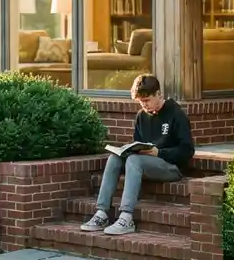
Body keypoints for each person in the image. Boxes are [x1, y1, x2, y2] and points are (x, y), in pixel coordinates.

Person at [80, 74, 194, 236]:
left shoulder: (176, 114)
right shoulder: (141, 116)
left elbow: (187, 151)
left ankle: (126, 217)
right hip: (145, 164)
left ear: (158, 94)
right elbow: (138, 144)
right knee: (114, 158)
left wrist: (159, 152)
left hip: (172, 167)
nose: (144, 105)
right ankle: (102, 213)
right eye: (141, 101)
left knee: (134, 160)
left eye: (147, 100)